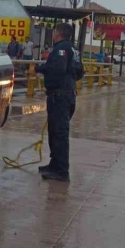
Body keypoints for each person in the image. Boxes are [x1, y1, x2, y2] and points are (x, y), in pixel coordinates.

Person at [35, 22, 82, 182]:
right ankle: (54, 164)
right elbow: (80, 72)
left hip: (60, 97)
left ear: (59, 33)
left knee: (60, 134)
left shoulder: (61, 48)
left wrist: (38, 69)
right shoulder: (74, 50)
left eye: (54, 31)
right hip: (67, 95)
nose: (53, 34)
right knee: (55, 132)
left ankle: (62, 171)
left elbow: (57, 68)